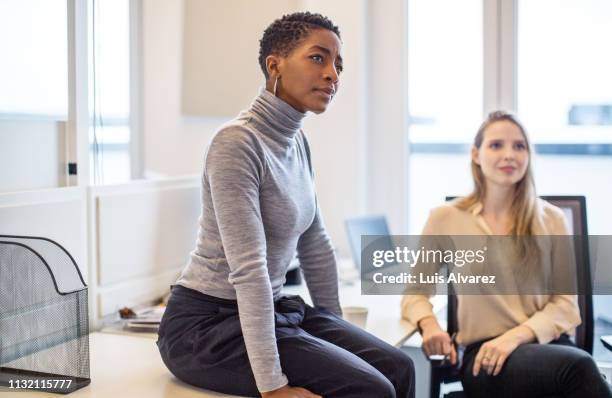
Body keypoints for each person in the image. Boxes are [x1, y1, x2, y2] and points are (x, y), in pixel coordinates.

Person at [157, 12, 415, 398]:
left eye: (338, 65)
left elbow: (316, 247)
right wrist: (273, 387)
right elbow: (249, 269)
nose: (333, 74)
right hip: (206, 327)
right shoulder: (236, 143)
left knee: (399, 365)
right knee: (373, 389)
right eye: (318, 58)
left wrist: (339, 333)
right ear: (274, 65)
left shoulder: (297, 144)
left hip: (272, 311)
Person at [401, 111, 612, 397]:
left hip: (550, 346)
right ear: (476, 154)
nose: (509, 154)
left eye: (519, 146)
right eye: (496, 145)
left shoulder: (551, 219)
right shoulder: (445, 218)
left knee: (577, 369)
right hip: (485, 356)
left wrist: (515, 337)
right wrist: (430, 327)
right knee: (581, 370)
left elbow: (565, 305)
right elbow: (414, 293)